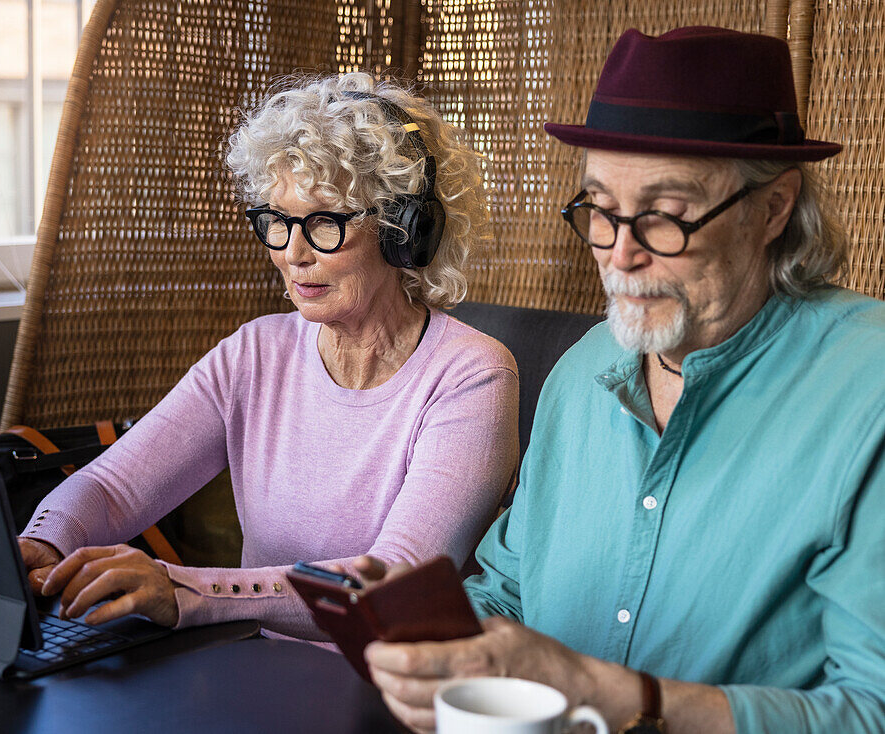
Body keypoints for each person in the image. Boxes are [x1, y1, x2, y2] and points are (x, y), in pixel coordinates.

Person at [360, 27, 885, 733]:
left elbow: (870, 710)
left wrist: (618, 697)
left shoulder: (867, 388)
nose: (620, 253)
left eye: (665, 217)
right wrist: (439, 659)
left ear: (773, 208)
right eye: (601, 210)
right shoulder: (580, 373)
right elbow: (508, 593)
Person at [15, 72, 520, 642]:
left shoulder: (474, 374)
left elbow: (392, 582)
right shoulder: (256, 352)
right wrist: (44, 541)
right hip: (258, 670)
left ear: (402, 232)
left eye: (324, 222)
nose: (292, 253)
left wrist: (185, 590)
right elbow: (114, 487)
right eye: (277, 222)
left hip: (395, 685)